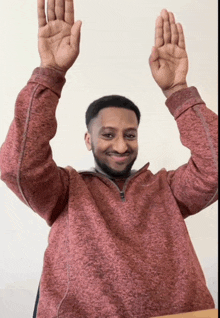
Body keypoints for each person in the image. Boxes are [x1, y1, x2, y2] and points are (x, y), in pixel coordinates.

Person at [0, 0, 218, 317]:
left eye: (130, 134)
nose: (120, 145)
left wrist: (177, 91)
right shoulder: (63, 192)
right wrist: (50, 73)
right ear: (88, 140)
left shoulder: (167, 189)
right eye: (107, 134)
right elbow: (16, 165)